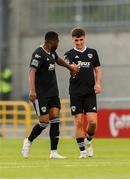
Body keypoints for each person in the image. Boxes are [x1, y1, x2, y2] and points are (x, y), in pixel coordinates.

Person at [22, 31, 78, 159]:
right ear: (49, 41)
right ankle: (28, 141)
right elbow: (31, 71)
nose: (58, 43)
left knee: (55, 119)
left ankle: (53, 152)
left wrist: (70, 67)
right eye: (56, 41)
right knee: (44, 122)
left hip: (53, 92)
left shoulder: (52, 52)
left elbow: (58, 60)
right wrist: (32, 90)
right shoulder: (38, 54)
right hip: (40, 94)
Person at [64, 28, 102, 158]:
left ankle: (89, 141)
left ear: (84, 38)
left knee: (92, 122)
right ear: (72, 39)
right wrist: (72, 67)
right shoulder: (68, 54)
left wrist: (97, 83)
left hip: (90, 92)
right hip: (75, 92)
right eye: (76, 40)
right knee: (78, 122)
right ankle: (82, 152)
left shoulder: (92, 53)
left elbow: (97, 69)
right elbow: (69, 65)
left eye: (81, 40)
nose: (79, 43)